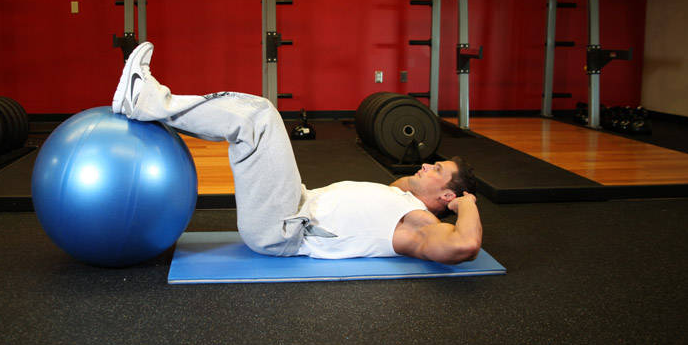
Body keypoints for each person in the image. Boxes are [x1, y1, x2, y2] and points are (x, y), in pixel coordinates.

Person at [112, 41, 482, 265]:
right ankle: (150, 105)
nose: (426, 164)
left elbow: (464, 244)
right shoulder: (400, 195)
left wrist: (466, 203)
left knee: (259, 118)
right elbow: (406, 184)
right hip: (292, 207)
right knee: (256, 121)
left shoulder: (417, 223)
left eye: (438, 169)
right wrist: (435, 188)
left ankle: (146, 101)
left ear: (447, 196)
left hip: (284, 227)